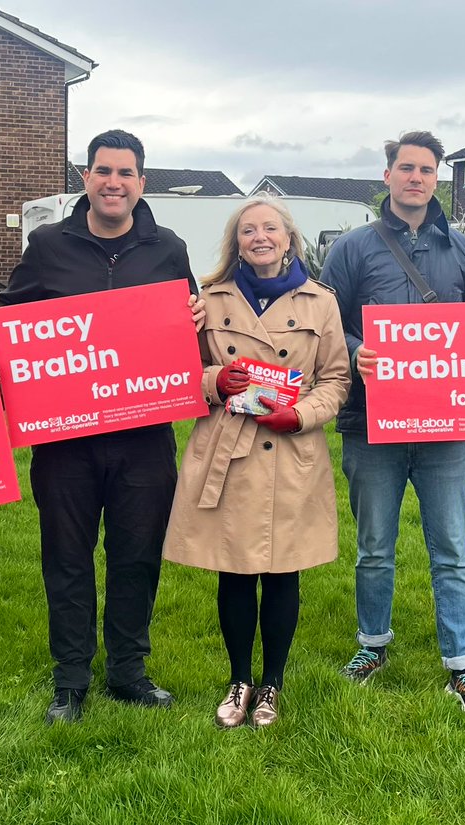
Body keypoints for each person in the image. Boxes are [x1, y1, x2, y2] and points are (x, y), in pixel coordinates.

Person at [0, 129, 204, 724]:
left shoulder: (167, 247)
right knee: (66, 555)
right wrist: (3, 346)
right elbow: (14, 315)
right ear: (86, 178)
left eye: (125, 173)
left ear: (141, 182)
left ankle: (128, 671)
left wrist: (193, 314)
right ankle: (70, 679)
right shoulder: (47, 245)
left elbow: (187, 328)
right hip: (66, 438)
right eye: (102, 171)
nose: (113, 183)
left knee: (136, 555)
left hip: (144, 438)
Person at [320, 131, 465, 713]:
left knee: (451, 547)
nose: (416, 177)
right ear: (388, 175)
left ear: (437, 178)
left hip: (445, 427)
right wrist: (355, 351)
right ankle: (372, 644)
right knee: (374, 545)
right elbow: (324, 322)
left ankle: (463, 663)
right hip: (372, 425)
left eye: (426, 169)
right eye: (406, 168)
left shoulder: (462, 251)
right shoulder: (352, 248)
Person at [163, 194, 350, 727]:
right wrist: (214, 382)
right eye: (249, 230)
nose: (260, 237)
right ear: (236, 242)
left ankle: (273, 683)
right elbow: (177, 372)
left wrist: (302, 415)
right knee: (236, 570)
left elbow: (336, 378)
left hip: (290, 451)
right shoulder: (208, 299)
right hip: (229, 450)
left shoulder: (321, 301)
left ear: (289, 238)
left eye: (271, 228)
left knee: (284, 570)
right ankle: (239, 678)